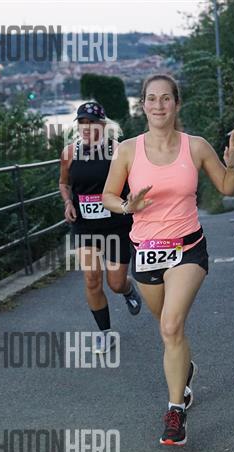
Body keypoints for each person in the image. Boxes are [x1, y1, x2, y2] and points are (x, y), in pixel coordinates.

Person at [102, 73, 234, 446]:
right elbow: (108, 196)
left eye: (166, 98)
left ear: (176, 103)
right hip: (146, 252)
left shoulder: (195, 147)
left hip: (188, 249)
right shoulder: (128, 151)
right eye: (151, 98)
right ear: (142, 105)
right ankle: (185, 368)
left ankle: (175, 411)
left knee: (170, 327)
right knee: (171, 330)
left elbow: (227, 188)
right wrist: (127, 206)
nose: (159, 105)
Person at [59, 101, 143, 354]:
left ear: (103, 126)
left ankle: (127, 288)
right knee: (92, 278)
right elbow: (64, 183)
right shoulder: (69, 153)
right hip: (84, 225)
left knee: (115, 283)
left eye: (92, 123)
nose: (87, 127)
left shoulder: (118, 150)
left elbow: (135, 182)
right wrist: (67, 202)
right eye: (82, 123)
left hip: (116, 225)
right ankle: (105, 333)